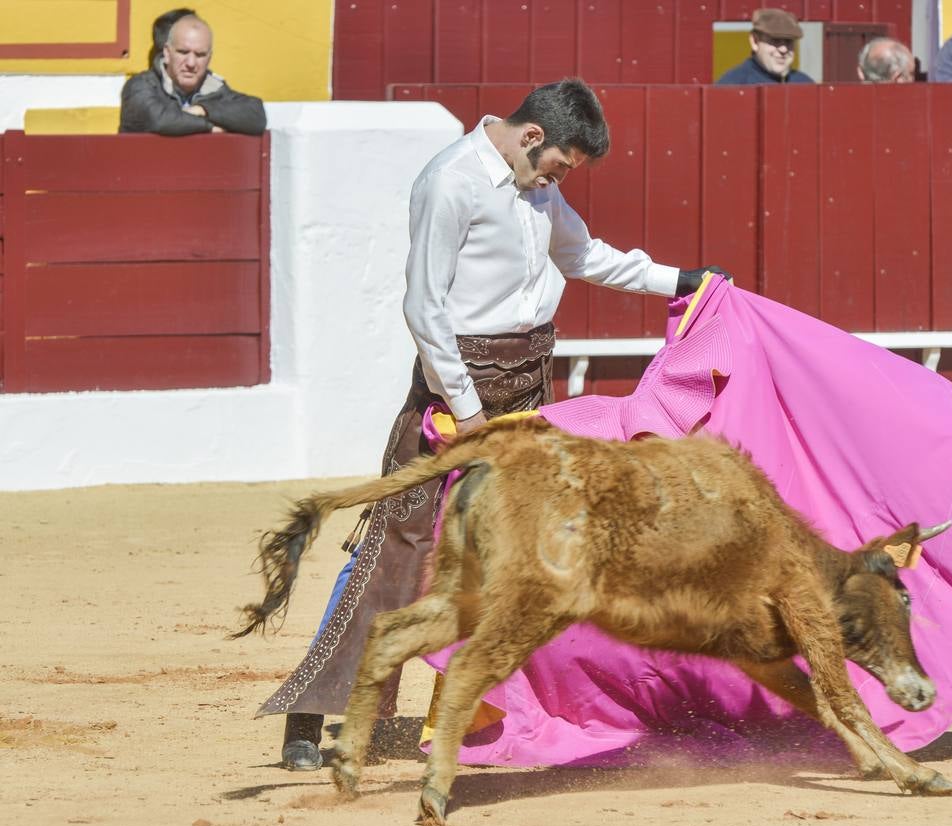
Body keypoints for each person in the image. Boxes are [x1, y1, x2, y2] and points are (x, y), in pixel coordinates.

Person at [258, 78, 727, 770]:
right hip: (459, 394)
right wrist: (472, 419)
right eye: (560, 166)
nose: (558, 180)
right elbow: (425, 312)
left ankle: (474, 719)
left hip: (528, 388)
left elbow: (583, 255)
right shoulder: (450, 181)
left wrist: (679, 280)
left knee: (514, 557)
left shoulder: (535, 183)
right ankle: (312, 713)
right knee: (397, 544)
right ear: (532, 136)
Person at [119, 13, 265, 136]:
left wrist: (203, 110)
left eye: (200, 55)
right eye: (183, 52)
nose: (191, 63)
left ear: (209, 58)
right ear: (167, 53)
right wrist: (209, 127)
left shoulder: (214, 88)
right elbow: (158, 120)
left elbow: (256, 114)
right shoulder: (140, 86)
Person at [717, 8, 815, 85]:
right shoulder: (732, 85)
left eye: (788, 41)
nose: (783, 49)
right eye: (775, 40)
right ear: (755, 41)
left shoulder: (805, 83)